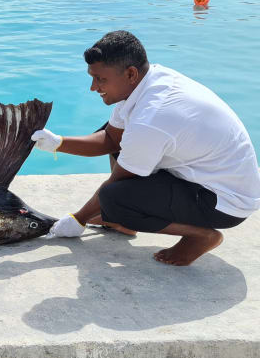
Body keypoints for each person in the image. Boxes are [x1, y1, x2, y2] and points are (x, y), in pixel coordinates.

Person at [31, 30, 260, 265]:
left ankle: (201, 236)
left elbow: (117, 182)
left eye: (100, 79)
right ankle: (122, 222)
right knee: (120, 142)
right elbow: (111, 139)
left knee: (114, 199)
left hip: (225, 203)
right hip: (205, 177)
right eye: (92, 77)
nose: (93, 87)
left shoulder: (152, 117)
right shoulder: (147, 82)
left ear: (130, 74)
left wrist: (78, 219)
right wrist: (58, 143)